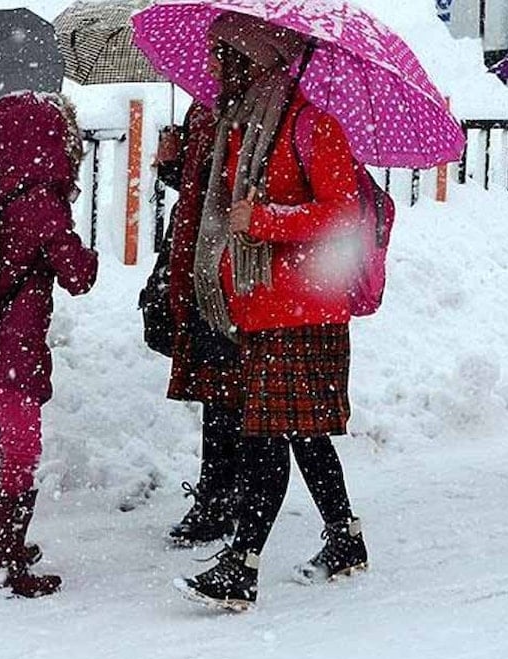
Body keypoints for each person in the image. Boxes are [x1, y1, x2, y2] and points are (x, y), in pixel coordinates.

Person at [174, 13, 370, 611]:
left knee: (264, 439)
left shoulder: (313, 125)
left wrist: (264, 220)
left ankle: (242, 566)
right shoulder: (245, 126)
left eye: (222, 55)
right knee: (304, 435)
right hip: (261, 309)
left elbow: (344, 216)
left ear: (253, 60)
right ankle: (345, 538)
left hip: (303, 311)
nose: (213, 68)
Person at [0, 91, 99, 596]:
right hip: (9, 346)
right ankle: (3, 564)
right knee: (23, 446)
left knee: (11, 440)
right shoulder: (41, 204)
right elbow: (78, 277)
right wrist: (83, 251)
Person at [151, 100, 248, 548]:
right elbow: (195, 188)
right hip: (198, 264)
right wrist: (173, 163)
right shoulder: (203, 109)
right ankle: (222, 494)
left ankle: (223, 498)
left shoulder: (244, 110)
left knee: (228, 389)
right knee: (217, 390)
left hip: (227, 264)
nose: (209, 66)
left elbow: (231, 186)